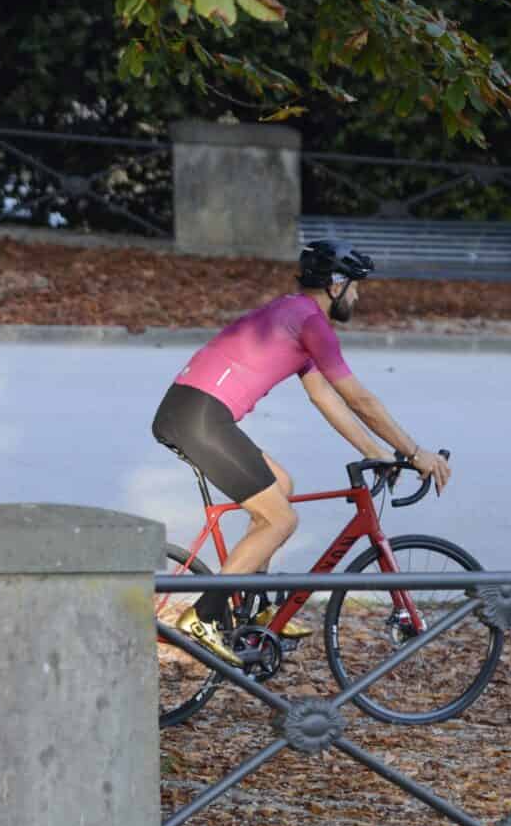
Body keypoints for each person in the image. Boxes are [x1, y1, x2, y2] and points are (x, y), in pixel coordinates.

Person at [150, 239, 453, 665]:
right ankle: (204, 615)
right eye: (355, 286)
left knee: (282, 487)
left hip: (197, 412)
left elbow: (325, 399)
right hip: (198, 417)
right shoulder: (312, 323)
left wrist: (379, 452)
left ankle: (254, 609)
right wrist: (415, 451)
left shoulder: (296, 315)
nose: (358, 295)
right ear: (335, 285)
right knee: (280, 519)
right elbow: (358, 399)